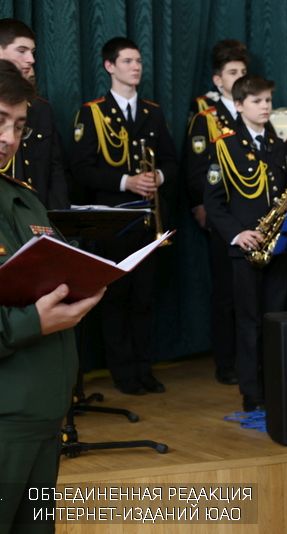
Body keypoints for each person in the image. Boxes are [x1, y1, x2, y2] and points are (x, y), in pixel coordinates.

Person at [0, 61, 105, 534]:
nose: (9, 138)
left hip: (45, 416)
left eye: (19, 125)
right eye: (0, 120)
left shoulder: (24, 198)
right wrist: (34, 322)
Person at [70, 37, 178, 395]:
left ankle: (144, 368)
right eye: (128, 61)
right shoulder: (93, 113)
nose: (136, 67)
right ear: (109, 66)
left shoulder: (152, 112)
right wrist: (126, 181)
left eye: (138, 61)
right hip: (112, 223)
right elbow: (81, 169)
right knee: (116, 298)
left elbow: (170, 162)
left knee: (144, 298)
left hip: (147, 220)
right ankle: (123, 372)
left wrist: (157, 177)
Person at [204, 74, 287, 412]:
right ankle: (252, 392)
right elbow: (213, 202)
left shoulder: (278, 144)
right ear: (239, 105)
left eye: (268, 100)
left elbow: (284, 192)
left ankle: (275, 387)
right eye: (257, 101)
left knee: (274, 320)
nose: (265, 106)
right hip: (245, 249)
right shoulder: (224, 146)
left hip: (277, 247)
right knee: (249, 322)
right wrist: (238, 234)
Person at [184, 39, 249, 386]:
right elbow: (197, 167)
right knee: (225, 293)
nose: (239, 77)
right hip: (222, 215)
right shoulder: (207, 118)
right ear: (218, 80)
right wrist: (200, 205)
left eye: (243, 71)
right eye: (232, 72)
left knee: (248, 294)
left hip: (252, 215)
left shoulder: (251, 113)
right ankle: (226, 363)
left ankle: (249, 359)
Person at [0, 19, 68, 209]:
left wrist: (55, 217)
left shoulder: (41, 109)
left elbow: (55, 171)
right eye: (22, 51)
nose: (31, 59)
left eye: (32, 52)